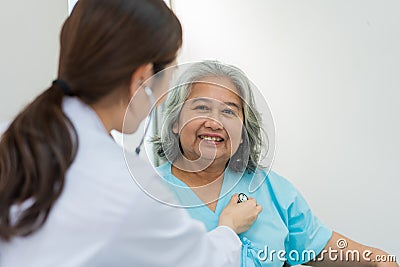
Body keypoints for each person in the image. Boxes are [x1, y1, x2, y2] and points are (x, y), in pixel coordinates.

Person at [0, 1, 263, 266]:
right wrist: (228, 228)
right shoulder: (127, 186)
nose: (213, 122)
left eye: (229, 111)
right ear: (142, 80)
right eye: (168, 82)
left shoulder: (13, 135)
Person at [154, 61, 399, 267]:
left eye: (229, 112)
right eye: (202, 108)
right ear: (175, 121)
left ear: (243, 130)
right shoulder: (148, 194)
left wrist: (376, 258)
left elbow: (316, 244)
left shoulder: (273, 189)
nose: (214, 122)